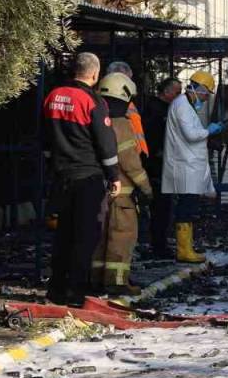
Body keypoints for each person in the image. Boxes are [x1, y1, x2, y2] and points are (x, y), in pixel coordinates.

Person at [43, 52, 120, 307]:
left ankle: (55, 289)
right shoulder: (92, 100)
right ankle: (75, 293)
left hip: (60, 177)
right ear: (95, 74)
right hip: (88, 177)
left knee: (63, 234)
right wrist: (114, 176)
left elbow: (45, 137)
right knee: (85, 236)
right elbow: (105, 142)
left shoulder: (53, 96)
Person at [90, 72, 153, 296]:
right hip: (123, 196)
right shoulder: (121, 125)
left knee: (100, 238)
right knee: (121, 237)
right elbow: (130, 162)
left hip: (100, 191)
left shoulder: (96, 121)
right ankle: (117, 282)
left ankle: (96, 278)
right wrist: (146, 188)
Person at [163, 70, 224, 263]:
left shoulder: (185, 105)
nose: (206, 99)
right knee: (186, 207)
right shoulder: (182, 106)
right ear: (199, 89)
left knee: (189, 206)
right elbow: (191, 135)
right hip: (185, 165)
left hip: (187, 164)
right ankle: (184, 250)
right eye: (206, 95)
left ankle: (186, 247)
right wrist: (209, 131)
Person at [142, 77, 182, 258]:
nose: (179, 96)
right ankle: (158, 246)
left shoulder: (161, 109)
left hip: (161, 165)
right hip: (157, 167)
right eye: (177, 92)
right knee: (161, 208)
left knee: (163, 207)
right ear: (166, 92)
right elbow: (154, 138)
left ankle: (159, 244)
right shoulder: (157, 111)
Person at [106, 61, 149, 157]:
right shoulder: (109, 104)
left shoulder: (128, 102)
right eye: (128, 80)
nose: (131, 83)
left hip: (134, 155)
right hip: (124, 159)